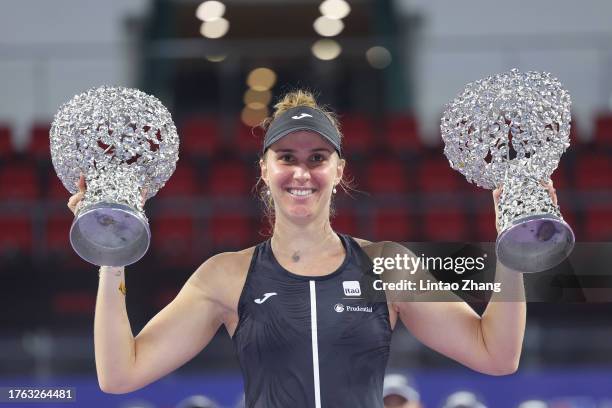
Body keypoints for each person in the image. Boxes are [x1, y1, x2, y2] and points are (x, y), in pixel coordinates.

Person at [68, 90, 557, 407]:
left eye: (317, 158)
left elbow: (497, 355)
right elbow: (119, 374)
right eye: (287, 158)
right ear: (264, 169)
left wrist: (511, 250)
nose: (302, 172)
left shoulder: (387, 264)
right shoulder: (225, 276)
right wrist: (111, 254)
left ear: (339, 171)